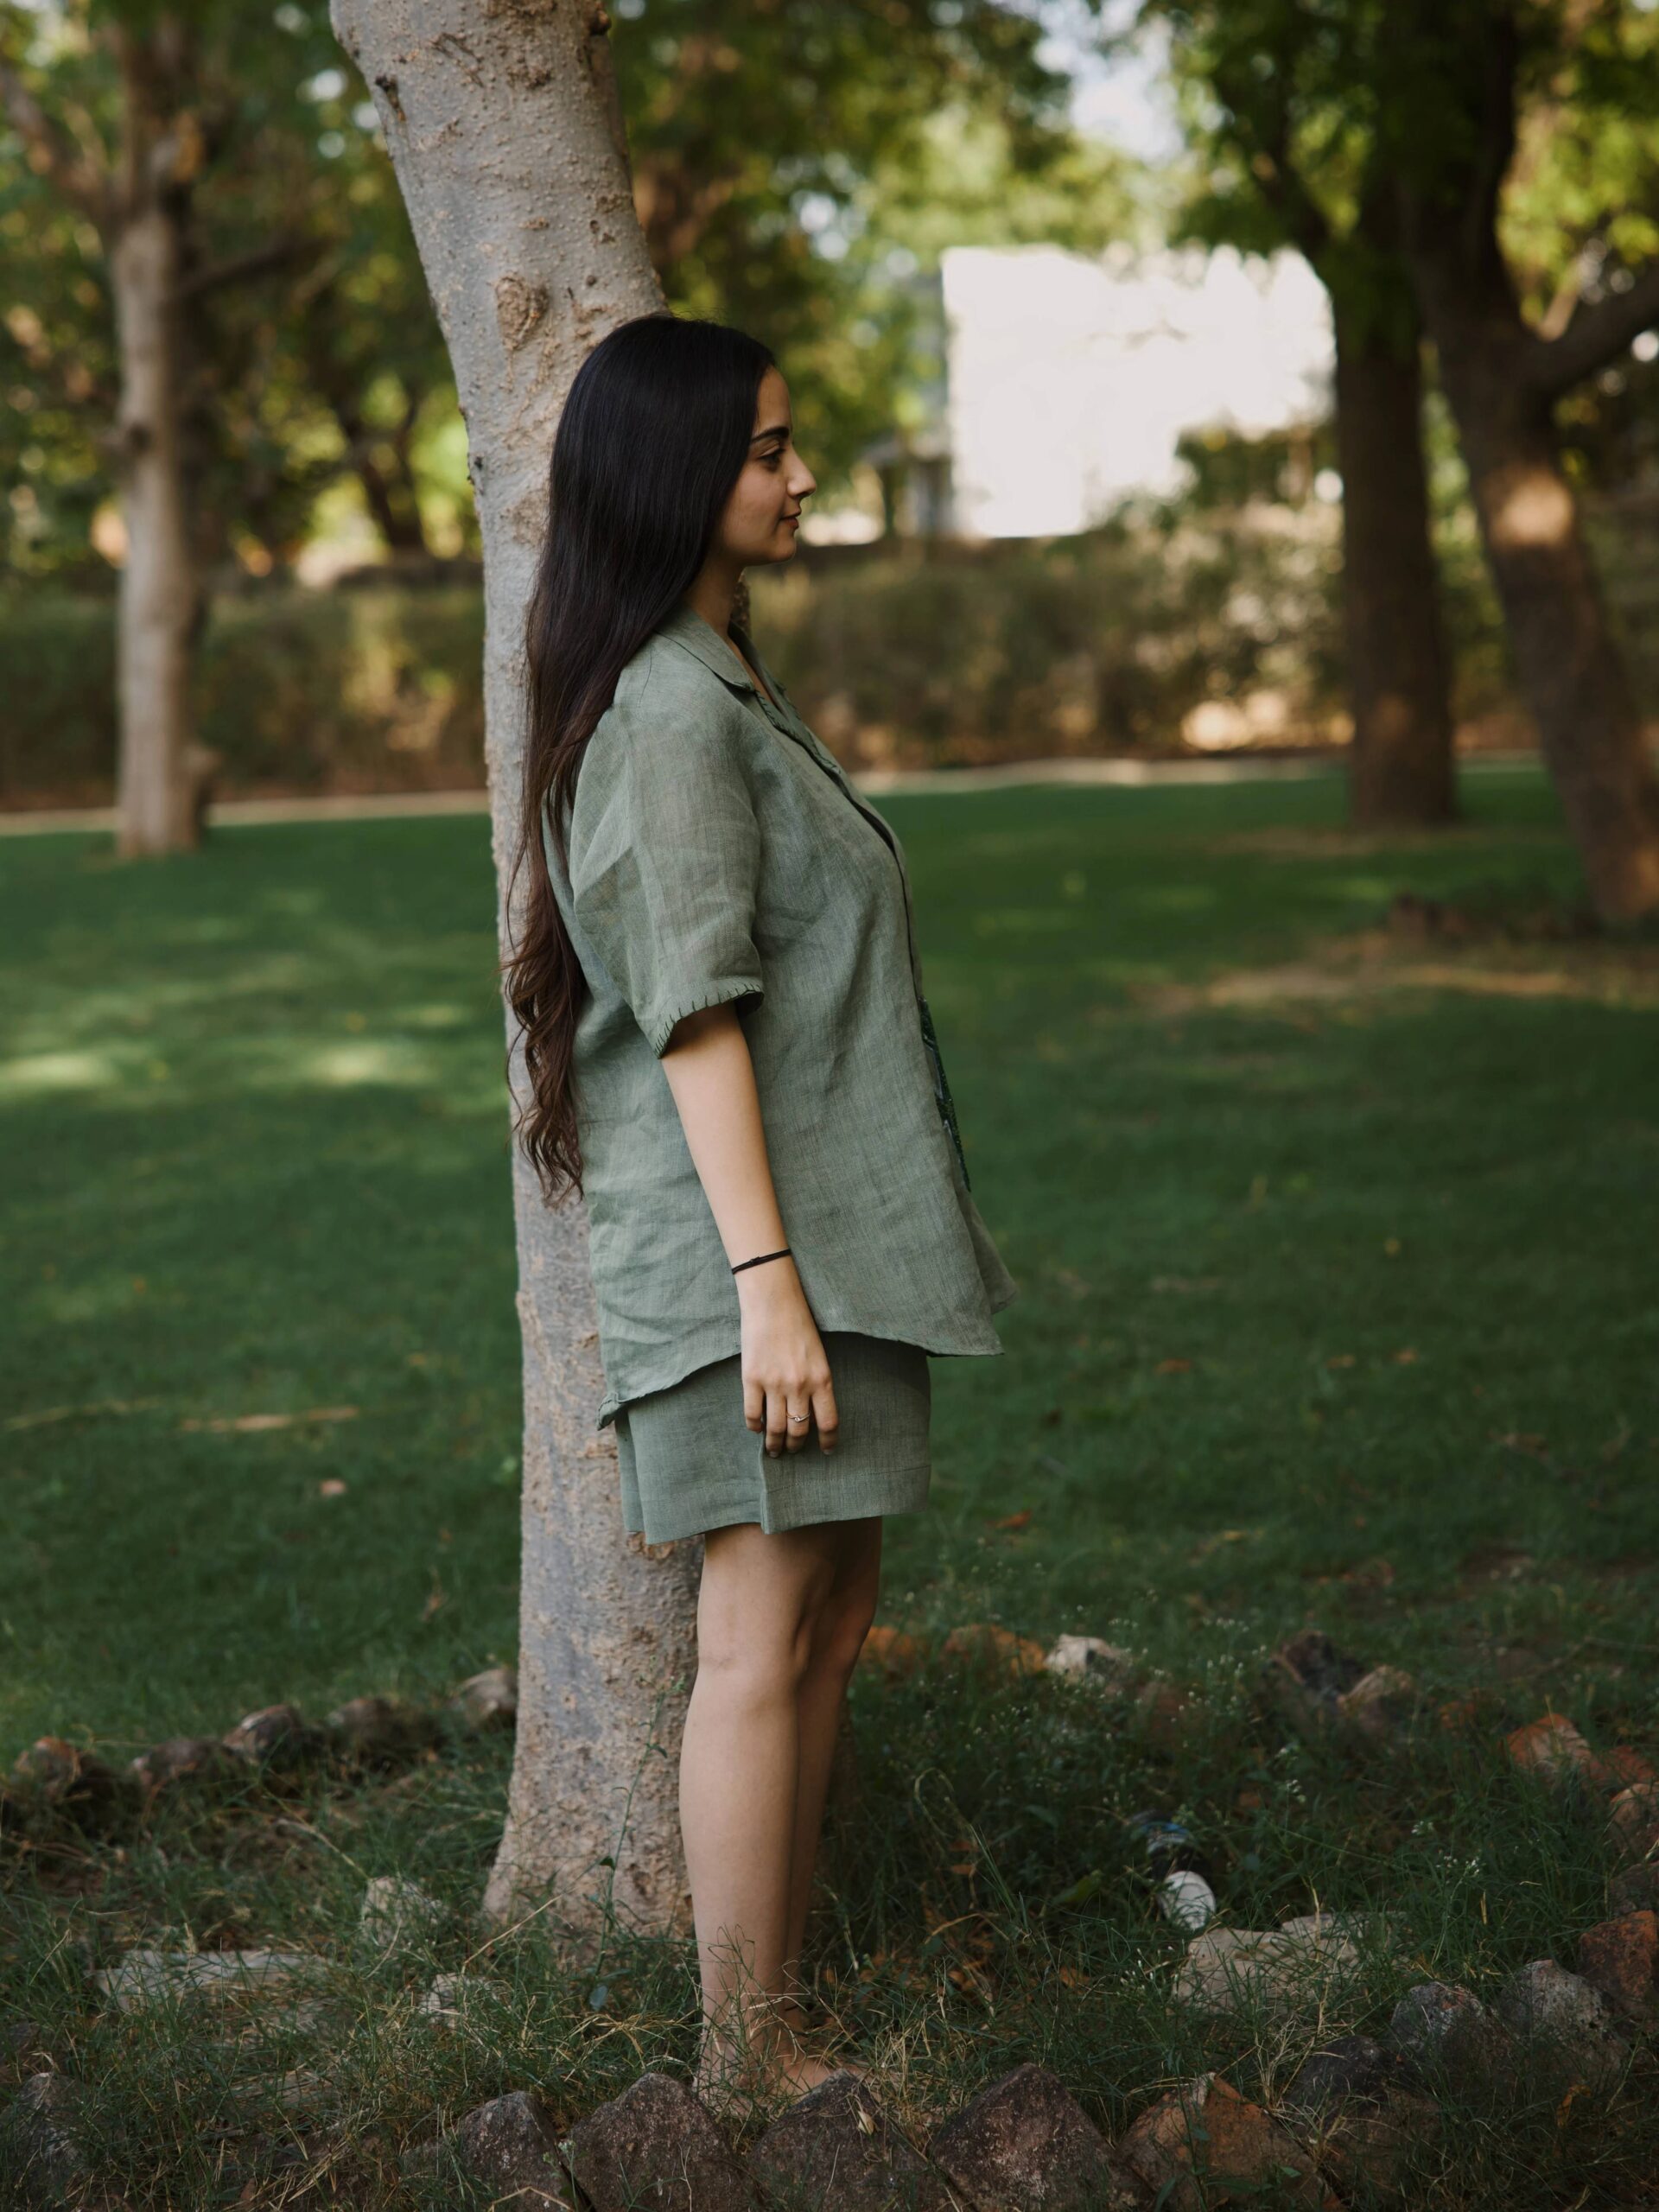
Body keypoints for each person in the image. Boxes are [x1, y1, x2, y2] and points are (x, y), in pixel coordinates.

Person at [503, 311, 1018, 2106]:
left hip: (826, 1237)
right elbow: (696, 1012)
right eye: (770, 451)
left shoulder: (719, 680)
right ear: (677, 476)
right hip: (759, 1255)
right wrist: (768, 1283)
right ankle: (743, 2057)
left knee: (830, 1617)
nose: (803, 480)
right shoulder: (663, 710)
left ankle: (780, 2017)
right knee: (759, 1635)